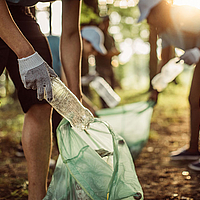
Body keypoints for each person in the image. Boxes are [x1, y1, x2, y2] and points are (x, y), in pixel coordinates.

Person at [0, 0, 82, 199]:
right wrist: (26, 54)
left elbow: (71, 33)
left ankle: (38, 196)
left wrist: (75, 92)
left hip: (19, 13)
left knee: (42, 98)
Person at [137, 0, 200, 171]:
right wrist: (156, 89)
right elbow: (164, 60)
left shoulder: (184, 15)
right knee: (195, 100)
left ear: (159, 10)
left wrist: (198, 51)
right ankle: (193, 149)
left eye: (149, 17)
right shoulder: (164, 31)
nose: (149, 22)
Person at [95, 15, 121, 108]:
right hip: (100, 67)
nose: (107, 24)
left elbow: (114, 49)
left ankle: (111, 106)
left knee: (112, 87)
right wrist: (110, 54)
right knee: (104, 88)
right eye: (105, 22)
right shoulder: (99, 36)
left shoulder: (110, 37)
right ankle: (104, 107)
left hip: (110, 66)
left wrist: (115, 53)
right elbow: (98, 52)